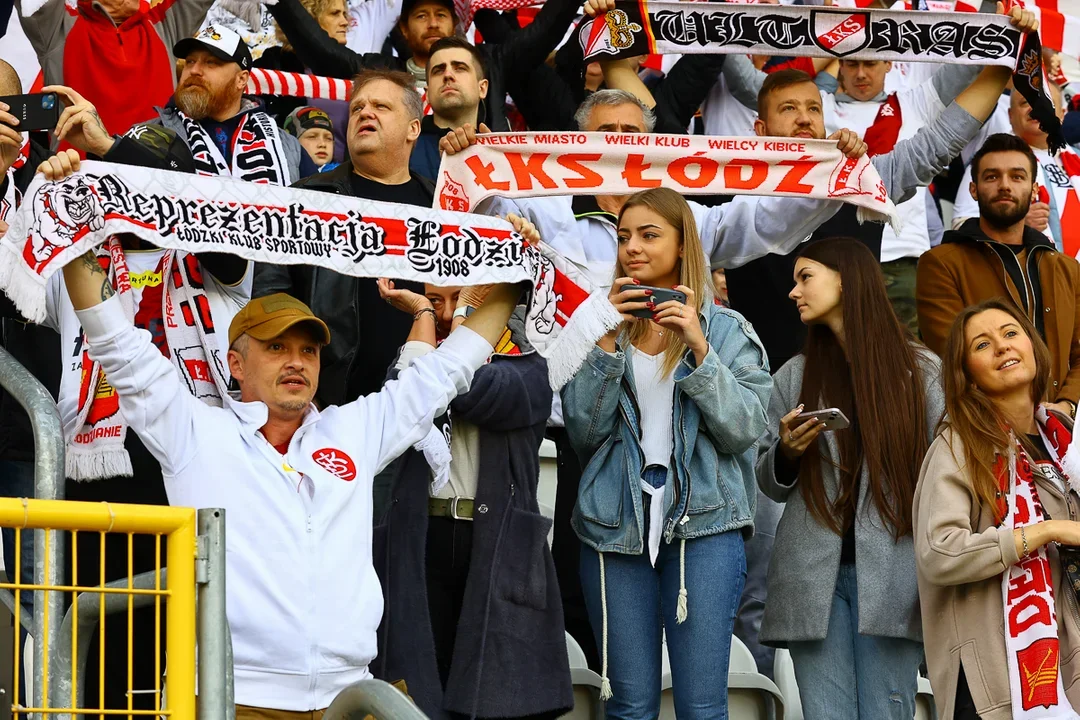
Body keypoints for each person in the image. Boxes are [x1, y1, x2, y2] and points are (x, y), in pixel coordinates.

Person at [44, 146, 537, 718]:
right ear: (234, 362)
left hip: (351, 699)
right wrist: (74, 209)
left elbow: (454, 363)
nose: (296, 361)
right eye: (276, 348)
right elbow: (115, 343)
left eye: (308, 349)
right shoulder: (194, 431)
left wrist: (510, 262)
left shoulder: (353, 429)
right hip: (230, 698)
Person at [561, 187, 771, 719]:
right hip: (614, 525)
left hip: (705, 525)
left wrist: (700, 349)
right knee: (628, 707)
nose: (632, 246)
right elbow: (583, 433)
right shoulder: (597, 325)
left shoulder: (726, 329)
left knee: (702, 708)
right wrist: (605, 343)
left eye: (649, 235)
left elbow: (748, 427)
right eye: (625, 236)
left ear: (683, 246)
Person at [755, 237, 943, 719]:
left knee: (887, 711)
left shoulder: (921, 372)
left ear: (847, 279)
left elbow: (943, 473)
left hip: (894, 576)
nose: (793, 292)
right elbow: (767, 478)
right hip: (811, 576)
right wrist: (788, 454)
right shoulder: (794, 376)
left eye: (805, 278)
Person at [372, 279, 572, 719]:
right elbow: (403, 399)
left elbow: (475, 390)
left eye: (462, 302)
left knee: (492, 697)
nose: (446, 314)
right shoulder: (415, 360)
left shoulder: (530, 363)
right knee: (418, 694)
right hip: (425, 537)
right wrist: (422, 316)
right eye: (437, 303)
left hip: (494, 543)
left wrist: (461, 327)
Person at [914, 299, 1080, 719]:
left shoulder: (1066, 443)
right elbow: (940, 552)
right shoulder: (956, 447)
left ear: (1033, 346)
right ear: (966, 374)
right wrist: (1045, 532)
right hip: (996, 684)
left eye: (1010, 334)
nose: (1003, 347)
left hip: (1071, 667)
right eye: (982, 345)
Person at [252, 69, 432, 407]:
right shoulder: (304, 199)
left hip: (424, 408)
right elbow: (269, 304)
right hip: (329, 408)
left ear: (413, 129)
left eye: (381, 106)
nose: (365, 112)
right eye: (358, 108)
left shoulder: (442, 205)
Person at [917, 133, 1080, 421]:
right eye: (992, 177)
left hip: (1062, 430)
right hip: (986, 428)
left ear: (1034, 190)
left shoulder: (1066, 268)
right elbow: (953, 357)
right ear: (974, 189)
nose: (1005, 185)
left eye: (1017, 177)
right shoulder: (940, 263)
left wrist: (1065, 405)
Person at [50, 25, 313, 183]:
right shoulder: (146, 134)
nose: (195, 70)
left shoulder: (286, 145)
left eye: (211, 62)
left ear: (241, 79)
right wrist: (103, 149)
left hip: (270, 276)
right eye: (190, 61)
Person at [266, 0, 581, 129]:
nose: (432, 24)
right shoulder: (385, 72)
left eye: (441, 15)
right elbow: (325, 55)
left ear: (456, 23)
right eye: (421, 16)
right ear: (403, 28)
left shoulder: (491, 61)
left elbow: (541, 34)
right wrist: (281, 4)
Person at [0, 58, 58, 707]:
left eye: (10, 105)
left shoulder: (47, 183)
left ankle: (39, 703)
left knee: (33, 594)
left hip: (25, 435)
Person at [13, 0, 215, 140]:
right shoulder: (58, 29)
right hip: (81, 180)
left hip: (156, 177)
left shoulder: (165, 26)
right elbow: (35, 4)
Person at [951, 83, 1079, 253]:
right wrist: (1014, 223)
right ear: (1010, 115)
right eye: (1026, 103)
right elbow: (961, 226)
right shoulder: (990, 161)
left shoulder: (1076, 157)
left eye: (1046, 101)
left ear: (1062, 115)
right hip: (1028, 274)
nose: (1035, 108)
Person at [255, 0, 351, 155]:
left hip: (345, 176)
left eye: (345, 14)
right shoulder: (274, 64)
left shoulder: (356, 70)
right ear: (308, 19)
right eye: (335, 14)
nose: (345, 22)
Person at [411, 37, 488, 180]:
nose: (447, 75)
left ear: (482, 88)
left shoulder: (502, 155)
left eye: (460, 68)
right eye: (438, 71)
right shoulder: (402, 149)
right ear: (427, 94)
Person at [283, 106, 339, 174]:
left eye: (328, 138)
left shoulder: (346, 177)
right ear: (292, 142)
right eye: (312, 137)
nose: (322, 144)